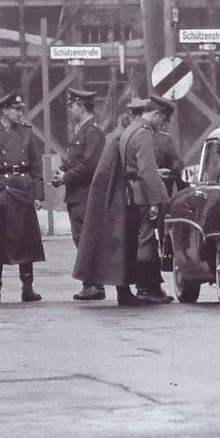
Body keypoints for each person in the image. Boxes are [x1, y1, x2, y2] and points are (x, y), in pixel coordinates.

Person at [0, 91, 45, 304]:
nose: (19, 113)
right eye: (15, 109)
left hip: (22, 188)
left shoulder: (26, 132)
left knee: (26, 239)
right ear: (4, 111)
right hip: (0, 190)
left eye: (20, 109)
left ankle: (28, 286)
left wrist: (39, 194)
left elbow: (36, 165)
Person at [73, 112, 145, 306]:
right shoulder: (121, 138)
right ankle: (124, 291)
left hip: (108, 197)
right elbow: (123, 169)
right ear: (131, 118)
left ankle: (121, 289)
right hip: (117, 198)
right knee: (121, 245)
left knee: (115, 246)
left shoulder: (115, 136)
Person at [119, 94, 175, 304]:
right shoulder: (144, 134)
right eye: (163, 119)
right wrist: (155, 201)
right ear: (157, 113)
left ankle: (147, 286)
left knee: (141, 240)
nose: (163, 124)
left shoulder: (130, 130)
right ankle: (145, 288)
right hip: (142, 195)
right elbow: (147, 172)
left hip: (131, 193)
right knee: (147, 241)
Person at [52, 88, 105, 301]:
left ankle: (94, 283)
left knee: (86, 239)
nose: (70, 109)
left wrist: (65, 177)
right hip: (77, 195)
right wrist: (63, 172)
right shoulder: (81, 131)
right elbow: (75, 160)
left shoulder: (92, 132)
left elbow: (89, 164)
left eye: (72, 105)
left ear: (82, 107)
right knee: (80, 238)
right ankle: (90, 282)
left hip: (84, 195)